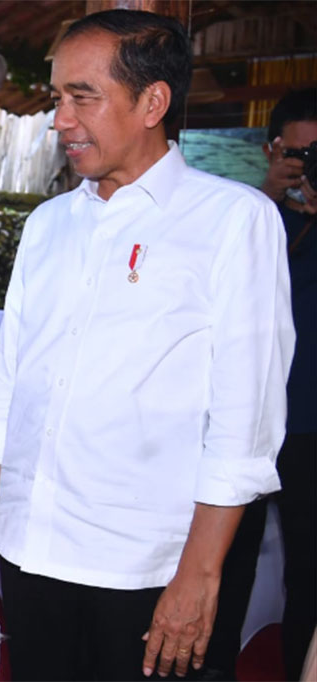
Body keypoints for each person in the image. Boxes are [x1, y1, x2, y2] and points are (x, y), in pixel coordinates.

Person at [0, 10, 294, 681]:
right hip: (32, 550)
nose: (61, 120)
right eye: (58, 98)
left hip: (146, 566)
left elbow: (243, 427)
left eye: (83, 97)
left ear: (153, 102)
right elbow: (12, 380)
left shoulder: (232, 222)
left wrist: (199, 575)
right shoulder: (48, 225)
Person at [213, 87, 316, 682]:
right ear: (272, 149)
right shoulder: (247, 215)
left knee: (309, 576)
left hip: (309, 423)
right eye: (296, 153)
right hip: (245, 421)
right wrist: (269, 195)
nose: (306, 164)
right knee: (224, 574)